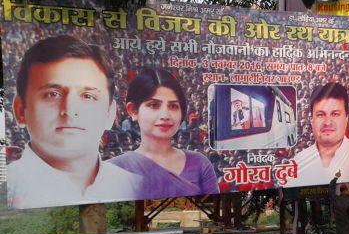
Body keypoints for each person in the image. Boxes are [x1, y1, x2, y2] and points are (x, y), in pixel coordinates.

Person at [7, 35, 140, 209]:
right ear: (20, 110)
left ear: (110, 114)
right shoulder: (8, 188)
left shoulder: (135, 186)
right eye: (52, 94)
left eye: (88, 96)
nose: (70, 110)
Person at [109, 68, 219, 200]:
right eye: (154, 105)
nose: (165, 115)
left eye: (173, 106)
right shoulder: (114, 169)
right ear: (133, 111)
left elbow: (214, 205)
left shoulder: (200, 163)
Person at [286, 82, 349, 187]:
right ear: (311, 120)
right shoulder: (298, 162)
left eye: (335, 114)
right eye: (320, 115)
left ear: (346, 118)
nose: (327, 122)